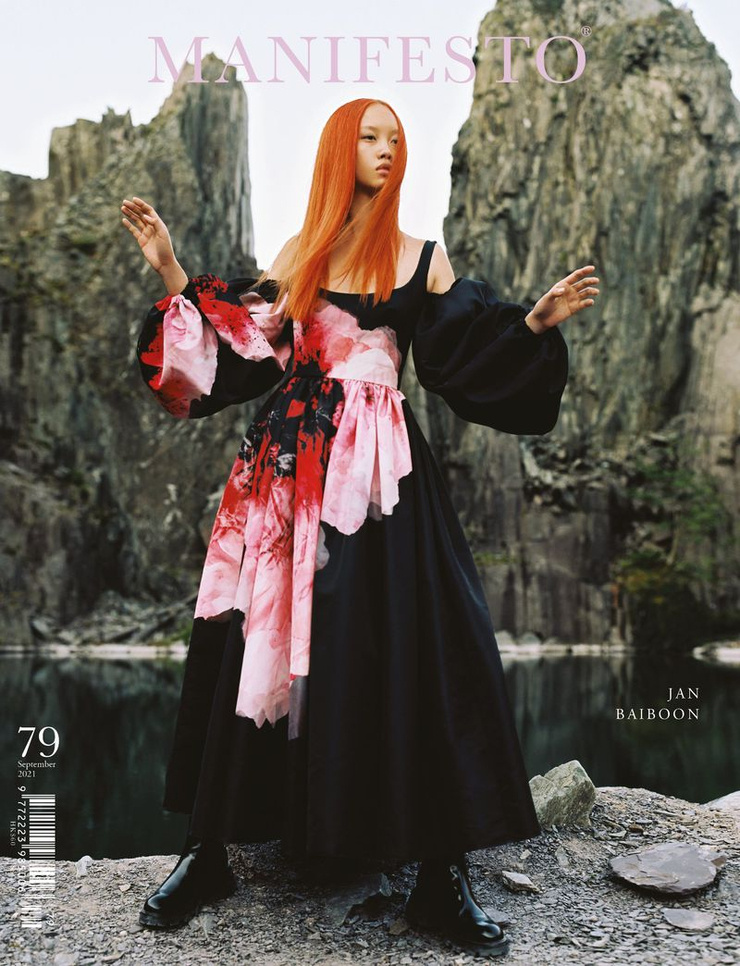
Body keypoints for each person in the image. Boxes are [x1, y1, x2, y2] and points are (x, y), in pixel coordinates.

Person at [121, 97, 599, 958]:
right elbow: (244, 355)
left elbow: (458, 361)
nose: (386, 149)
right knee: (254, 645)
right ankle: (208, 852)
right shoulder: (298, 254)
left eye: (396, 138)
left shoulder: (422, 257)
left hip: (381, 476)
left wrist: (532, 323)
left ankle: (440, 878)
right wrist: (171, 270)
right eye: (371, 136)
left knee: (421, 645)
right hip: (287, 470)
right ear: (341, 149)